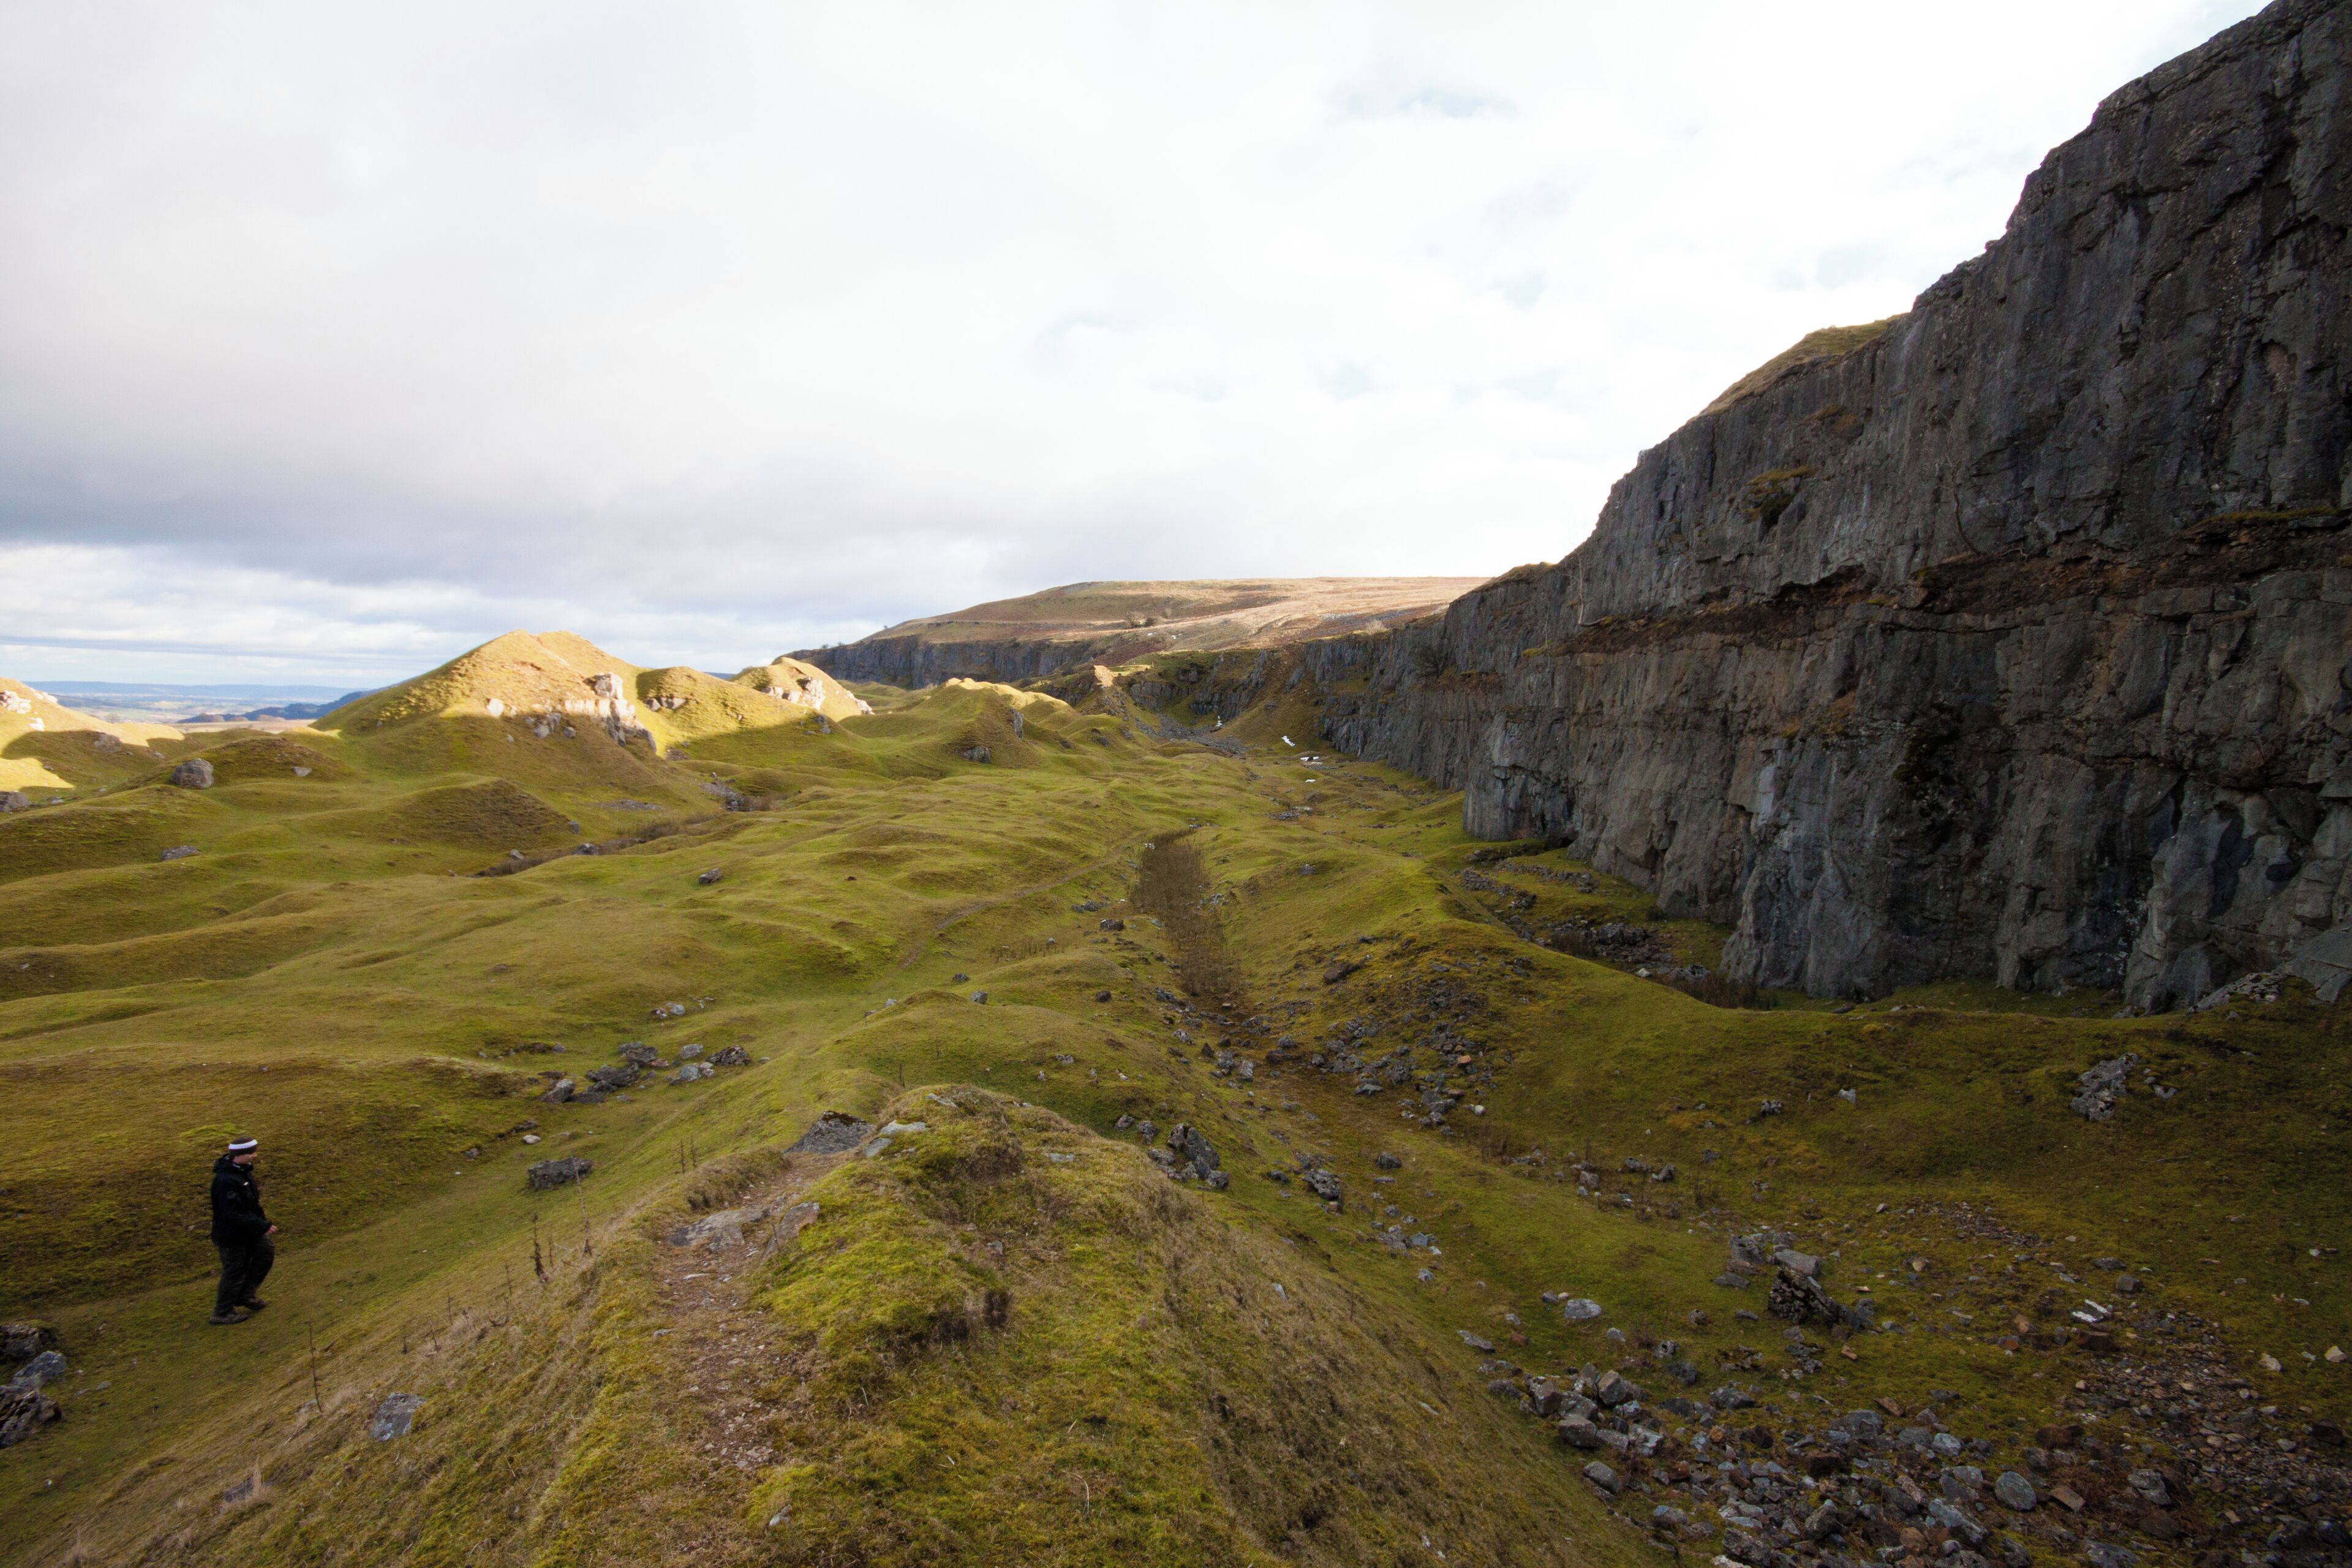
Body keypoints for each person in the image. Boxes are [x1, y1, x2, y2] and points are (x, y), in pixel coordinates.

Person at [208, 1136, 277, 1325]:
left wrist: (261, 1223)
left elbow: (252, 1204)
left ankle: (246, 1295)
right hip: (231, 1235)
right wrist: (261, 1224)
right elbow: (231, 1214)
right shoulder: (225, 1180)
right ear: (241, 1154)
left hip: (251, 1230)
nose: (255, 1156)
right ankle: (222, 1312)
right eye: (252, 1153)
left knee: (265, 1254)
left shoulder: (243, 1172)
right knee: (235, 1269)